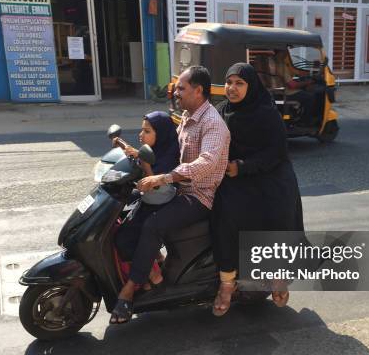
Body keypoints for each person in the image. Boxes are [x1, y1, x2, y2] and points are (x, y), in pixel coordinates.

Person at [110, 65, 230, 324]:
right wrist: (138, 155)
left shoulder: (212, 123)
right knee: (134, 214)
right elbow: (166, 145)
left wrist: (164, 177)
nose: (176, 93)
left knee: (153, 225)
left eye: (181, 89)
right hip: (176, 188)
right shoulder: (187, 116)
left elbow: (206, 162)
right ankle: (154, 270)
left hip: (199, 195)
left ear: (198, 91)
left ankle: (129, 291)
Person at [211, 62, 305, 317]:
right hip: (236, 176)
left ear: (250, 86)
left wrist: (243, 166)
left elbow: (277, 152)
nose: (232, 88)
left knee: (275, 213)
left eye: (239, 83)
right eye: (229, 82)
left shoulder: (266, 112)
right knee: (225, 212)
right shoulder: (221, 111)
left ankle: (277, 275)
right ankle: (227, 282)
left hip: (270, 174)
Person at [112, 111, 180, 289]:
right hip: (149, 201)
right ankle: (158, 259)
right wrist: (127, 149)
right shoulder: (157, 151)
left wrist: (143, 160)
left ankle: (154, 276)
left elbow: (153, 182)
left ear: (162, 134)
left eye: (147, 131)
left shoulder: (168, 158)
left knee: (124, 239)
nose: (141, 135)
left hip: (159, 205)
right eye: (142, 130)